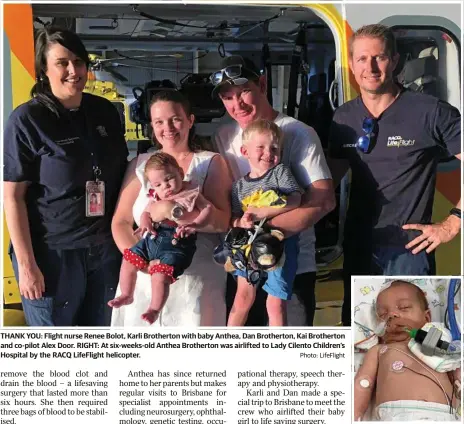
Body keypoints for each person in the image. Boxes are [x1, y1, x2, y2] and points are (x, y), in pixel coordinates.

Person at [327, 24, 462, 326]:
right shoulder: (343, 117)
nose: (370, 67)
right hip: (358, 245)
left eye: (380, 58)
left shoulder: (431, 112)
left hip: (408, 249)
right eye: (362, 59)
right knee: (360, 337)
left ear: (396, 61)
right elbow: (329, 181)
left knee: (414, 340)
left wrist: (453, 222)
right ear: (351, 64)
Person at [3, 27, 128, 326]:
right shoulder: (28, 120)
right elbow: (12, 197)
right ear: (44, 70)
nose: (74, 71)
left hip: (105, 250)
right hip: (53, 255)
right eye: (62, 63)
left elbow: (123, 173)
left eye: (79, 61)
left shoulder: (105, 112)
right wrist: (27, 266)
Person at [212, 55, 335, 326]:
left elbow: (324, 200)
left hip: (291, 266)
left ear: (263, 85)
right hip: (243, 268)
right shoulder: (223, 137)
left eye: (244, 91)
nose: (237, 104)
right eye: (227, 97)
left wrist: (265, 237)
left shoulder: (299, 133)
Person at [111, 90, 231, 327]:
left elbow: (222, 220)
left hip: (196, 282)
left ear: (190, 120)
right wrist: (143, 265)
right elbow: (121, 222)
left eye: (175, 119)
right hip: (144, 285)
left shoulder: (210, 162)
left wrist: (170, 210)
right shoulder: (141, 164)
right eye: (159, 122)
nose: (168, 127)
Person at [108, 152, 212, 324]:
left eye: (169, 179)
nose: (166, 186)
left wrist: (196, 224)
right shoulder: (156, 196)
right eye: (158, 184)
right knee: (129, 259)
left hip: (176, 245)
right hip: (151, 240)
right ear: (153, 186)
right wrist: (145, 223)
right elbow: (145, 213)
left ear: (180, 172)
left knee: (160, 276)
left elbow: (207, 208)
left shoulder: (191, 192)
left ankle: (154, 309)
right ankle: (127, 293)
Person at [227, 119, 302, 326]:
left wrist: (264, 212)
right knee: (242, 298)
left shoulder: (280, 173)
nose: (268, 153)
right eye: (260, 147)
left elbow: (296, 199)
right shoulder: (239, 187)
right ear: (245, 151)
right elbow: (233, 218)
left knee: (275, 304)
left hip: (280, 247)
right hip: (249, 247)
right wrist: (241, 221)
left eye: (274, 148)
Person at [354, 280, 461, 421]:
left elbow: (456, 365)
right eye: (383, 314)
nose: (392, 315)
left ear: (427, 317)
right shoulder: (379, 350)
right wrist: (354, 415)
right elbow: (363, 382)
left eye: (403, 307)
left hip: (442, 416)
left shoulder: (439, 339)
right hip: (393, 417)